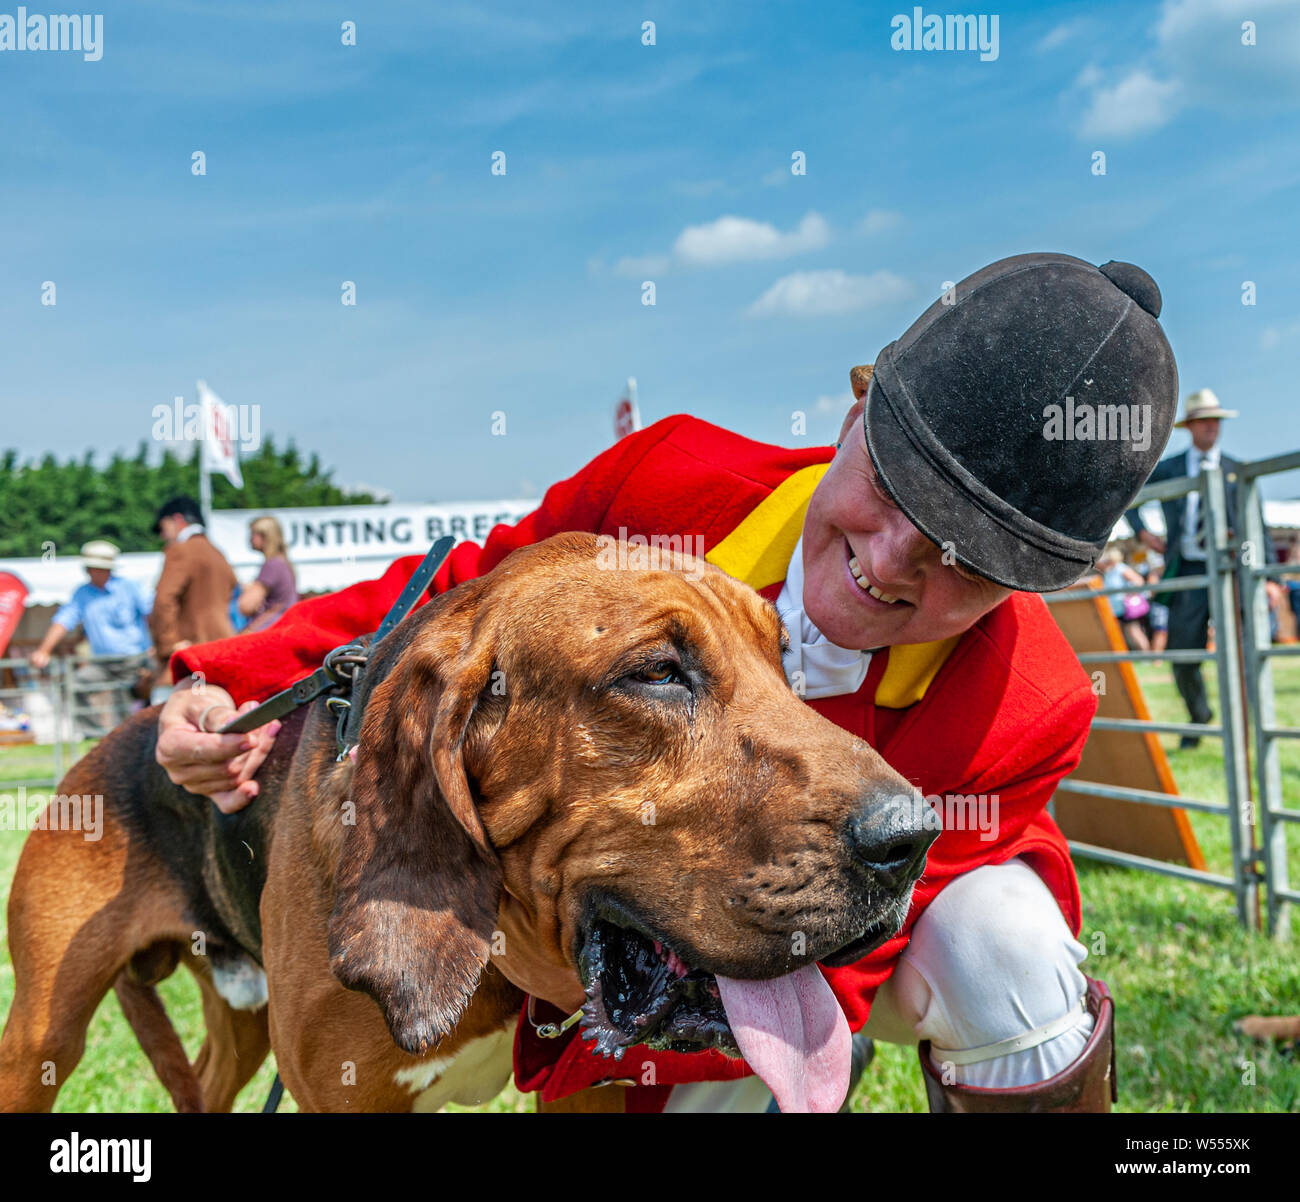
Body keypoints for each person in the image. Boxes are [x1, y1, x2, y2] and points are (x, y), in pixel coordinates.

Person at [153, 253, 1179, 1113]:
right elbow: (465, 588)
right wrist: (226, 680)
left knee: (1002, 948)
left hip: (854, 938)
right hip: (649, 898)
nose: (895, 554)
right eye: (893, 483)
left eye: (968, 557)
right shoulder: (668, 477)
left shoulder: (1034, 698)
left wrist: (581, 986)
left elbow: (854, 957)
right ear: (855, 410)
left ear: (1032, 583)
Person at [1125, 390, 1277, 748]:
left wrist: (1267, 577)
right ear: (1190, 426)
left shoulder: (1237, 471)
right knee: (1183, 651)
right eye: (1205, 420)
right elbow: (1129, 494)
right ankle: (1199, 715)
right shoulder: (1170, 470)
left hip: (1232, 570)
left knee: (1245, 648)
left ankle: (1251, 725)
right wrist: (1143, 533)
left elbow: (1258, 522)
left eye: (1216, 420)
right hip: (1189, 570)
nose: (1212, 427)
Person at [29, 539, 153, 737]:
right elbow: (63, 621)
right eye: (89, 568)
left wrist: (154, 645)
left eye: (95, 568)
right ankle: (95, 735)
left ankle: (126, 740)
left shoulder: (130, 588)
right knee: (73, 685)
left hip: (133, 660)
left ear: (107, 569)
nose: (90, 572)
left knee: (125, 702)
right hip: (102, 663)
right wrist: (44, 650)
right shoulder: (82, 593)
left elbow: (151, 616)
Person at [149, 495, 239, 665]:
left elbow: (163, 601)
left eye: (163, 527)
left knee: (163, 692)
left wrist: (167, 646)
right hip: (223, 648)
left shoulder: (180, 551)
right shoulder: (217, 553)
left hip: (191, 654)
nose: (162, 535)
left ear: (178, 519)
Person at [237, 515, 298, 633]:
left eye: (253, 534)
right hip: (282, 628)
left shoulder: (272, 565)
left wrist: (245, 590)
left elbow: (246, 606)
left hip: (269, 629)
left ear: (265, 536)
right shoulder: (283, 562)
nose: (250, 539)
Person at [1098, 548, 1150, 652]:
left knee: (1134, 631)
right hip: (1115, 608)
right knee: (1122, 633)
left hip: (1126, 608)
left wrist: (1129, 595)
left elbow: (1138, 581)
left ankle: (1146, 654)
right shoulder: (1109, 571)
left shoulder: (1121, 569)